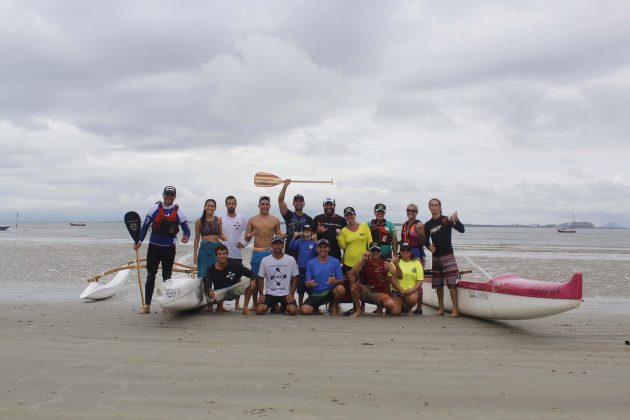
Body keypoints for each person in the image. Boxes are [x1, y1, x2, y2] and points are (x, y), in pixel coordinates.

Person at [134, 186, 190, 314]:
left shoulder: (180, 212)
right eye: (167, 194)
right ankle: (147, 305)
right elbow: (144, 227)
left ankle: (167, 306)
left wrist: (186, 237)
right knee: (150, 275)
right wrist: (139, 241)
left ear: (174, 197)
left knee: (167, 276)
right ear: (163, 195)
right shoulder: (153, 209)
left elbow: (186, 230)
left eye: (171, 195)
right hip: (153, 247)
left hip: (169, 249)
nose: (169, 197)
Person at [423, 198, 465, 317]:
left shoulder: (446, 220)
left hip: (448, 255)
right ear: (429, 207)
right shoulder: (428, 224)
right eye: (432, 205)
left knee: (452, 284)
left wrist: (457, 220)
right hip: (436, 257)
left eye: (436, 205)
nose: (434, 207)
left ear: (440, 207)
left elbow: (462, 230)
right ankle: (441, 309)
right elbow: (425, 240)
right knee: (438, 285)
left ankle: (455, 310)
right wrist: (429, 247)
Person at [245, 196, 281, 307]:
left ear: (270, 206)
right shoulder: (252, 219)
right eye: (262, 204)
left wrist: (285, 236)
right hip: (257, 251)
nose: (265, 206)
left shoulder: (275, 220)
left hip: (271, 251)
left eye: (267, 204)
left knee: (273, 278)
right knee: (255, 278)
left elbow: (278, 235)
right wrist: (248, 236)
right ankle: (255, 303)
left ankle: (274, 303)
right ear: (259, 205)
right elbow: (246, 238)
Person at [347, 242, 401, 317]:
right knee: (353, 288)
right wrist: (362, 260)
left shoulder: (386, 264)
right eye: (373, 250)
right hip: (367, 291)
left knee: (390, 304)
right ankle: (358, 310)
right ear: (369, 251)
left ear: (380, 252)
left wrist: (397, 265)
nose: (375, 252)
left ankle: (380, 307)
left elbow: (399, 276)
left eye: (377, 250)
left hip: (380, 293)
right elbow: (352, 273)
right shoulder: (364, 262)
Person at [203, 244, 257, 315]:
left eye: (224, 253)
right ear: (216, 256)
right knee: (209, 298)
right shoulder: (211, 269)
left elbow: (251, 273)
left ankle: (245, 308)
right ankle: (220, 306)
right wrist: (209, 291)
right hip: (221, 292)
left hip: (234, 289)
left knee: (251, 282)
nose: (222, 256)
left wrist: (253, 281)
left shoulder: (235, 264)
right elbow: (208, 284)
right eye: (219, 254)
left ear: (227, 254)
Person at [254, 236, 299, 315]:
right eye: (275, 244)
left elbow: (295, 278)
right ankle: (273, 305)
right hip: (270, 293)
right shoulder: (265, 260)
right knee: (259, 310)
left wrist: (291, 294)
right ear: (272, 245)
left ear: (283, 245)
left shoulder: (291, 259)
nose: (277, 246)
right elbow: (260, 278)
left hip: (285, 293)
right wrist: (261, 294)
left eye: (280, 244)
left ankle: (283, 306)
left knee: (293, 311)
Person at [300, 239, 345, 316]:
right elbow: (307, 283)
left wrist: (335, 282)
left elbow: (341, 280)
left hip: (330, 292)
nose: (323, 249)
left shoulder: (335, 262)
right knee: (304, 311)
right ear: (317, 249)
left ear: (329, 249)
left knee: (341, 289)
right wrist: (309, 284)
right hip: (317, 293)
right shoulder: (311, 263)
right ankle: (316, 308)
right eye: (320, 247)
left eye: (325, 247)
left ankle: (334, 306)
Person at [193, 199, 226, 299]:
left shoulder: (218, 219)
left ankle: (218, 300)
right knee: (204, 275)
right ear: (205, 207)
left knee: (218, 274)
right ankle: (208, 300)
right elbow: (197, 238)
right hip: (204, 250)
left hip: (216, 250)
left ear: (215, 208)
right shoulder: (199, 221)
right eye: (208, 205)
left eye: (212, 206)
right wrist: (195, 254)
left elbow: (220, 235)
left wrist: (233, 242)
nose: (210, 208)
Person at [220, 195, 248, 309]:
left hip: (237, 254)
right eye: (229, 203)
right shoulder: (220, 218)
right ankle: (220, 304)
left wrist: (244, 244)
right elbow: (216, 232)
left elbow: (249, 232)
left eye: (233, 203)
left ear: (236, 205)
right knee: (221, 278)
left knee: (237, 279)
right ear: (226, 205)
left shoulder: (241, 218)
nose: (231, 205)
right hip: (223, 254)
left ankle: (237, 304)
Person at [401, 203, 426, 314]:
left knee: (418, 280)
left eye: (413, 211)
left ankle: (419, 307)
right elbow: (403, 240)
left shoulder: (419, 224)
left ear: (416, 212)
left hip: (416, 253)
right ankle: (405, 304)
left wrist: (421, 233)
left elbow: (423, 242)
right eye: (408, 210)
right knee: (405, 278)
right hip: (405, 252)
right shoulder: (405, 225)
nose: (410, 212)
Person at [278, 180, 313, 259]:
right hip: (290, 250)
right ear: (293, 203)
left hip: (304, 251)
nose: (298, 203)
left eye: (301, 201)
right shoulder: (289, 215)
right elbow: (280, 201)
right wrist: (285, 186)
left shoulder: (309, 219)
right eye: (296, 201)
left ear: (304, 203)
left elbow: (314, 235)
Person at [390, 242, 424, 316]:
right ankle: (401, 305)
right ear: (400, 251)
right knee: (395, 312)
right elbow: (392, 280)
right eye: (403, 250)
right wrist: (401, 290)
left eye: (408, 250)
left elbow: (420, 280)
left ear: (411, 252)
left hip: (411, 291)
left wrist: (413, 289)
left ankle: (409, 308)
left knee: (412, 299)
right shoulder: (394, 262)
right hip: (398, 291)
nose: (405, 252)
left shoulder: (416, 263)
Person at [337, 206, 372, 273]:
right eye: (347, 215)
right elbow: (343, 247)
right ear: (345, 217)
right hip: (349, 262)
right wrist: (338, 236)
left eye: (351, 214)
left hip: (363, 260)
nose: (349, 216)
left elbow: (370, 241)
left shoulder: (364, 226)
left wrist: (369, 252)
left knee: (363, 282)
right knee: (352, 283)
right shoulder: (343, 230)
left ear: (355, 215)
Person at [288, 224, 317, 306]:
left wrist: (315, 241)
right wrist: (294, 237)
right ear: (302, 232)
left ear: (311, 232)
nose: (306, 232)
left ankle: (311, 305)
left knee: (311, 289)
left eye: (308, 230)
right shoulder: (300, 241)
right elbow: (291, 247)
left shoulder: (313, 241)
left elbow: (317, 251)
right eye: (305, 230)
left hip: (311, 270)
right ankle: (300, 306)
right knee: (301, 289)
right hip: (301, 269)